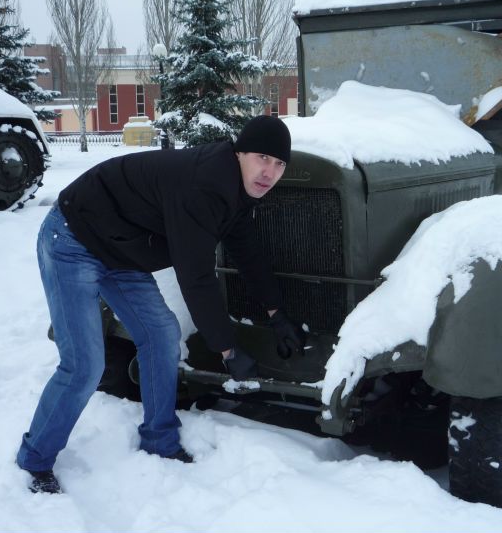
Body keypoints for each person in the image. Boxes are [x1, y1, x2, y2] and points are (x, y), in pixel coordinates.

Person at [16, 115, 306, 494]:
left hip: (121, 250)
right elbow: (196, 276)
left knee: (162, 334)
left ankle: (159, 439)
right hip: (73, 238)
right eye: (262, 158)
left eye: (279, 163)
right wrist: (228, 348)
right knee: (84, 364)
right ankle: (35, 459)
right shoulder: (204, 185)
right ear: (239, 154)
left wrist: (276, 314)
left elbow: (247, 251)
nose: (269, 171)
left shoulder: (236, 190)